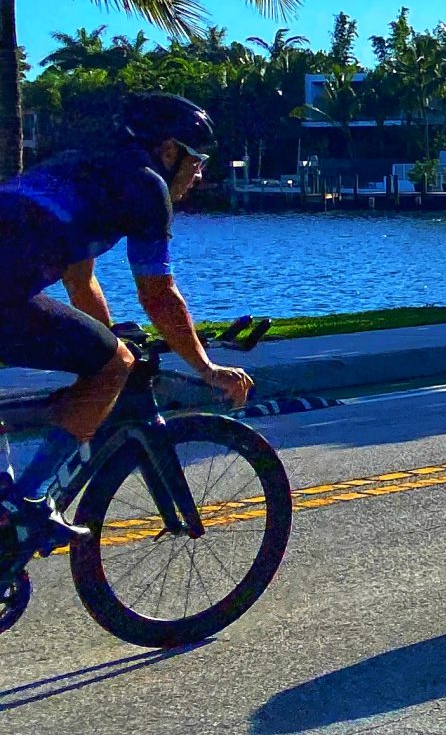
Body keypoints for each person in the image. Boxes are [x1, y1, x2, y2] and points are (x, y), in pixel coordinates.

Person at [0, 94, 255, 556]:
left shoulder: (83, 168)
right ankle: (30, 504)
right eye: (196, 160)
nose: (200, 174)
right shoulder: (145, 187)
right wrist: (205, 367)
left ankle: (7, 509)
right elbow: (158, 295)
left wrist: (111, 339)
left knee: (108, 358)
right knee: (113, 366)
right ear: (169, 151)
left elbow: (80, 280)